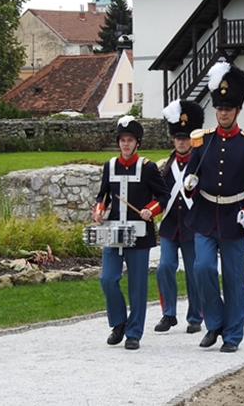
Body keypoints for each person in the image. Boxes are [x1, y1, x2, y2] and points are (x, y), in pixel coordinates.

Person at [183, 61, 244, 353]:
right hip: (205, 215)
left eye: (229, 109)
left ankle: (232, 334)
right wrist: (188, 184)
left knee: (233, 278)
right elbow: (189, 176)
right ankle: (215, 323)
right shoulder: (202, 141)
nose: (223, 113)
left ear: (237, 111)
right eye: (220, 108)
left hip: (235, 218)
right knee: (202, 268)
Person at [92, 116, 170, 350]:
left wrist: (151, 209)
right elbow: (103, 195)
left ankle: (134, 332)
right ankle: (119, 323)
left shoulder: (148, 168)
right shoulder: (110, 166)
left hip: (139, 234)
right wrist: (99, 210)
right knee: (107, 279)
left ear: (137, 143)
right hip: (114, 232)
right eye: (122, 140)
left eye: (130, 140)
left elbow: (163, 196)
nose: (126, 144)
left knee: (137, 285)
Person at [154, 99, 205, 334]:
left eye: (185, 138)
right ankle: (168, 314)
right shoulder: (165, 166)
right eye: (178, 138)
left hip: (193, 226)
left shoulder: (200, 164)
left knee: (195, 272)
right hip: (170, 226)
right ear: (173, 140)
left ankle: (196, 316)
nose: (181, 142)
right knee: (164, 267)